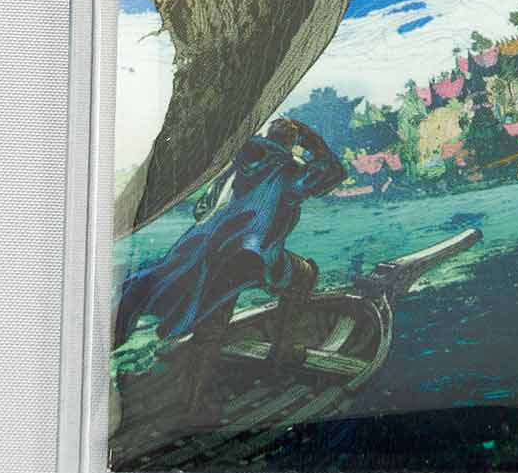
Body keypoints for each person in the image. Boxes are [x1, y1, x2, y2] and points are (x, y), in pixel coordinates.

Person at [112, 117, 346, 421]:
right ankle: (273, 362)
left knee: (212, 312)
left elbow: (201, 208)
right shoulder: (289, 171)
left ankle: (193, 400)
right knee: (302, 277)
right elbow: (334, 172)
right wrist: (310, 137)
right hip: (252, 257)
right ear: (292, 142)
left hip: (203, 251)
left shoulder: (237, 163)